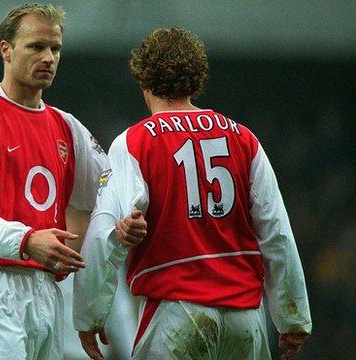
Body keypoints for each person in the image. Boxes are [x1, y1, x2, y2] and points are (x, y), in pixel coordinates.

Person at [73, 27, 312, 360]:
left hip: (176, 313)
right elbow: (276, 232)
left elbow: (104, 231)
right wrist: (293, 317)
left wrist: (89, 315)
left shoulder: (136, 142)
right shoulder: (243, 138)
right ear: (197, 77)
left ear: (143, 79)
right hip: (244, 317)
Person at [0, 4, 145, 359]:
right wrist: (26, 240)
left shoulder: (66, 126)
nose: (48, 57)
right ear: (6, 49)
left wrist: (127, 219)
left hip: (47, 292)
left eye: (55, 48)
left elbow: (108, 191)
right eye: (36, 46)